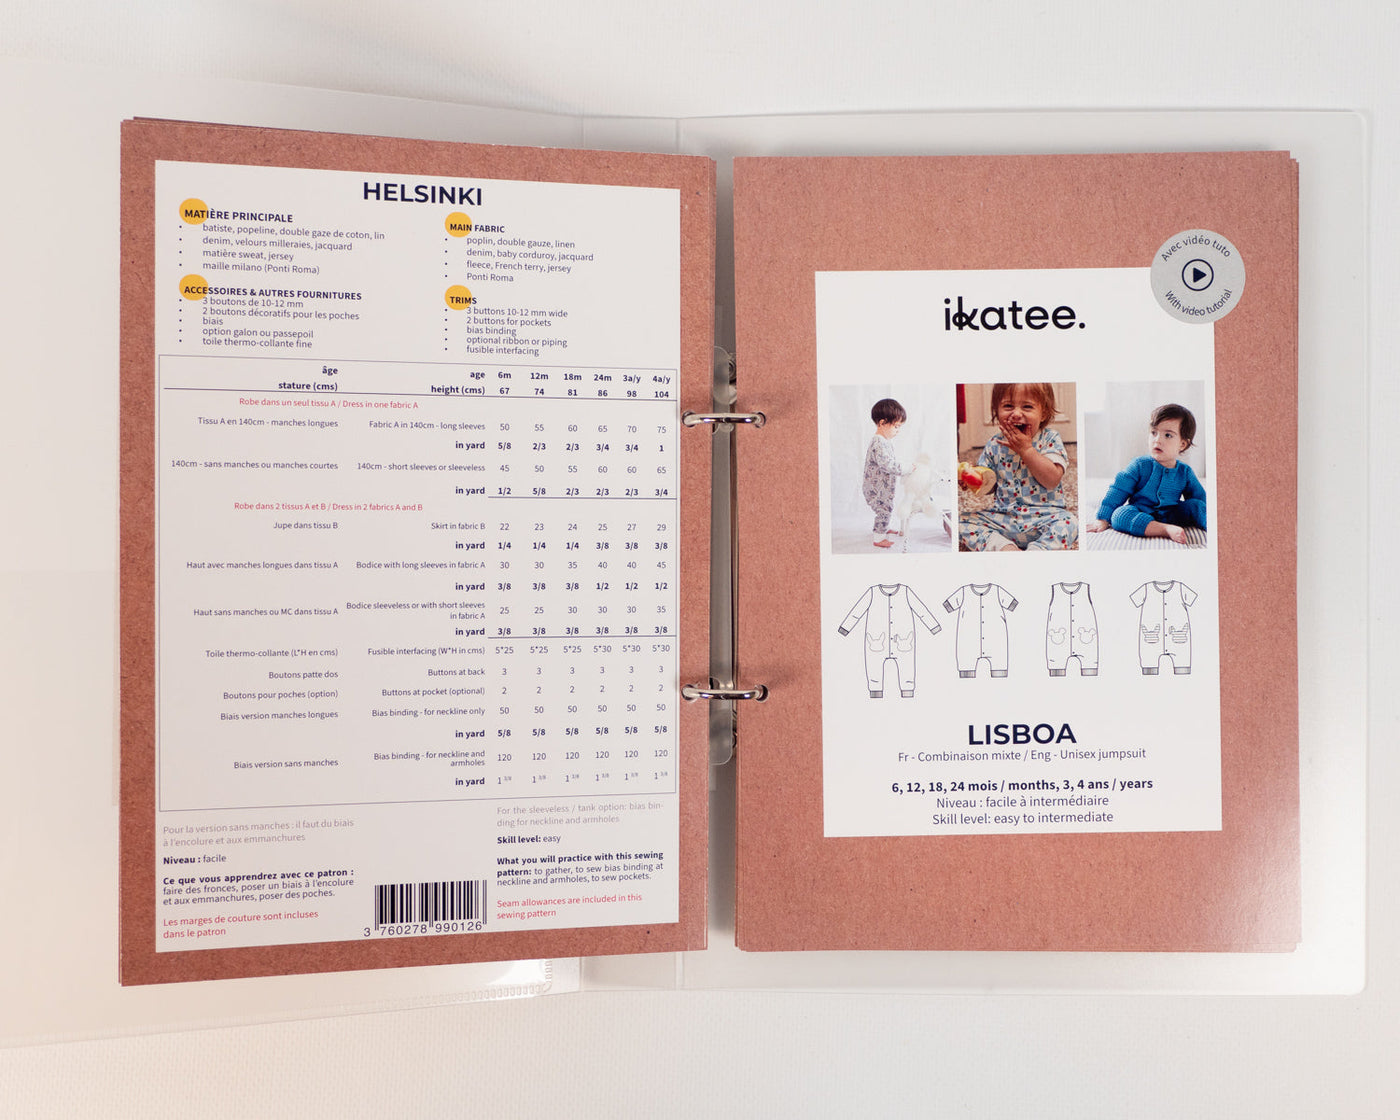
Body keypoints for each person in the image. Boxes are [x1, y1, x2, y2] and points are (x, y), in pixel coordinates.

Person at [958, 382, 1076, 552]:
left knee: (1069, 523)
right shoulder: (994, 444)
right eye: (1008, 406)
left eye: (1027, 407)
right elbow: (989, 485)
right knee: (962, 521)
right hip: (1004, 519)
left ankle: (1038, 551)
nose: (1016, 414)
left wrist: (1026, 450)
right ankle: (1005, 548)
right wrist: (972, 479)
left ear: (1043, 413)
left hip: (1045, 517)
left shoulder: (1050, 439)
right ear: (996, 410)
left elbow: (1052, 480)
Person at [1087, 403, 1206, 544]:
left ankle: (1217, 525)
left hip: (1173, 513)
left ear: (1182, 444)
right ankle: (1164, 529)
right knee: (1119, 515)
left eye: (1168, 435)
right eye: (1154, 433)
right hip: (1141, 512)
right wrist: (1103, 519)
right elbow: (1118, 490)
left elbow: (1199, 498)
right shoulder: (1140, 465)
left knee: (1196, 505)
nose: (1157, 440)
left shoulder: (1184, 472)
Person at [861, 398, 911, 549]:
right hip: (876, 488)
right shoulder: (879, 443)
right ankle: (879, 537)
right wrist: (907, 468)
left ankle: (883, 528)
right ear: (882, 423)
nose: (898, 431)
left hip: (881, 487)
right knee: (884, 510)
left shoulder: (883, 441)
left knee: (886, 508)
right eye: (896, 426)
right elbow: (888, 465)